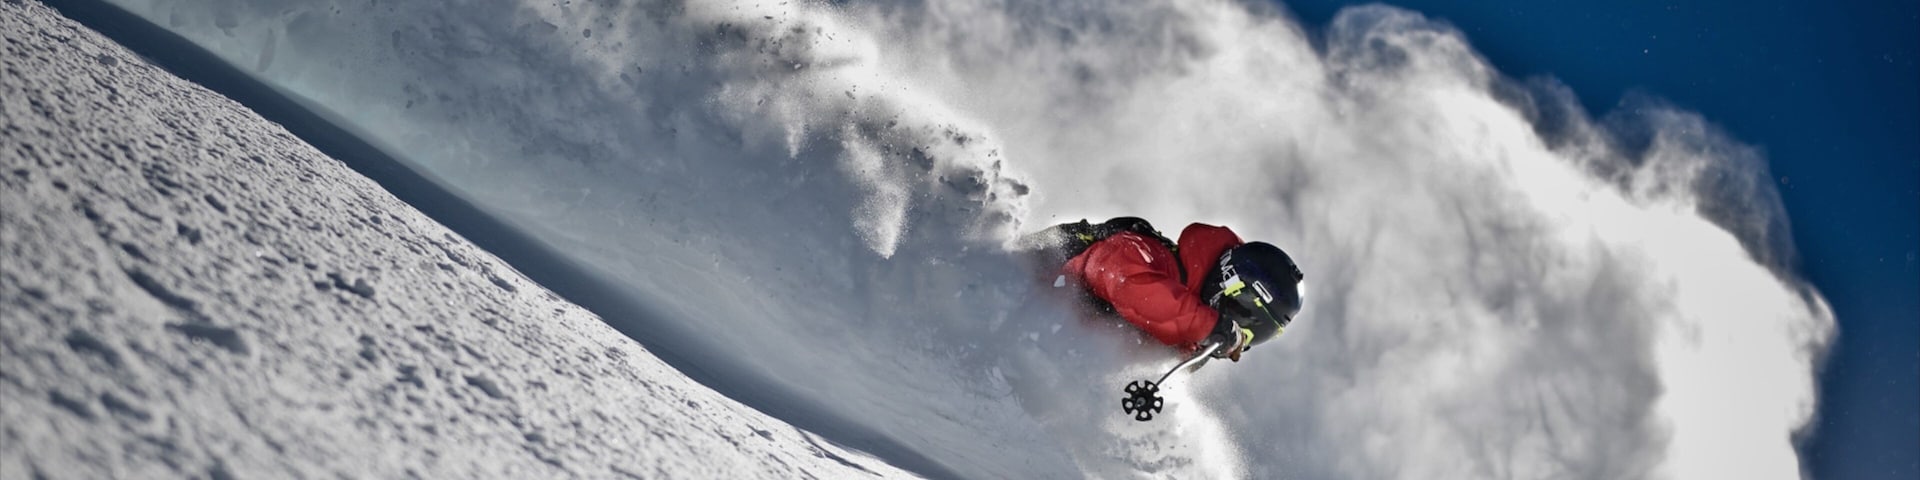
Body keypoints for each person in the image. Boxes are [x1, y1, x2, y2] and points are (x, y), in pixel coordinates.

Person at [1023, 217, 1304, 362]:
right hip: (1017, 301)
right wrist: (1207, 325)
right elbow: (1126, 281)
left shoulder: (1182, 345)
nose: (1238, 344)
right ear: (1232, 294)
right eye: (1245, 332)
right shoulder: (1151, 254)